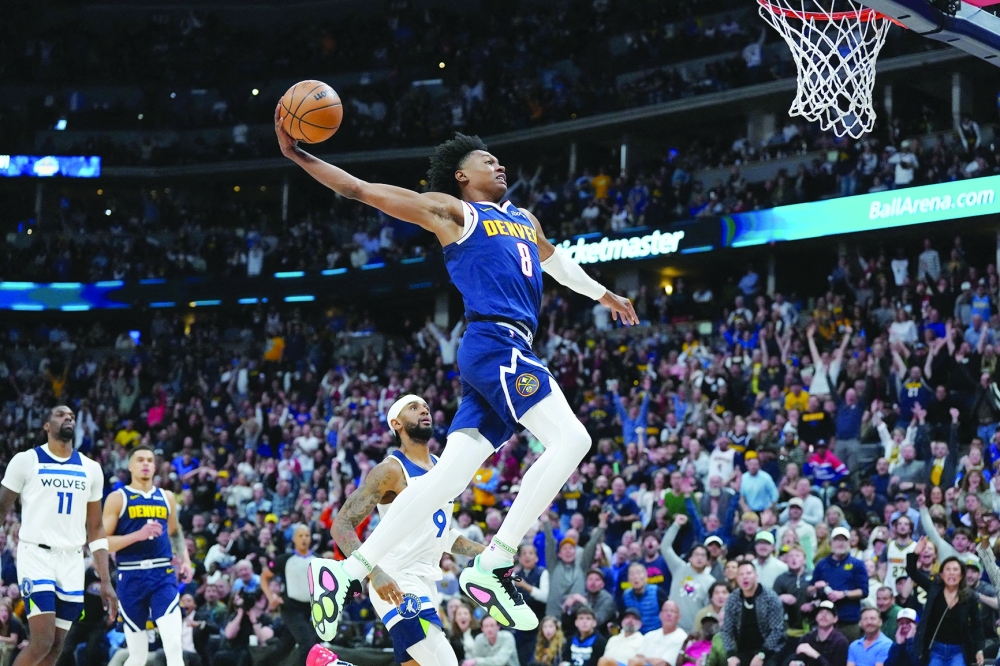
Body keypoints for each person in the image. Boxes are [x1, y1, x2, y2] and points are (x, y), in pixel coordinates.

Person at [281, 119, 638, 638]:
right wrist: (298, 156)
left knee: (446, 480)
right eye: (484, 159)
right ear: (461, 176)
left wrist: (604, 295)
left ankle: (347, 571)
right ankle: (495, 561)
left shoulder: (524, 219)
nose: (497, 163)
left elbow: (558, 265)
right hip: (496, 343)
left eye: (497, 157)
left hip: (505, 348)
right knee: (574, 439)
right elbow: (359, 190)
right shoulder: (454, 213)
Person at [330, 395, 486, 666]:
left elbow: (440, 534)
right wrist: (373, 572)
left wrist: (486, 552)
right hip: (395, 582)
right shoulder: (391, 470)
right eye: (414, 408)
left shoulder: (442, 467)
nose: (424, 410)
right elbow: (341, 525)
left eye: (426, 407)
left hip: (427, 582)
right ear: (396, 422)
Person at [0, 405, 117, 666]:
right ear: (46, 426)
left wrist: (105, 579)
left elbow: (96, 528)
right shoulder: (26, 460)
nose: (68, 419)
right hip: (36, 555)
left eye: (72, 416)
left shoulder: (91, 469)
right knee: (41, 640)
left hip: (73, 559)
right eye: (61, 415)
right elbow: (0, 509)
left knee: (55, 648)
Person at [103, 445, 194, 666]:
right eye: (141, 460)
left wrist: (186, 560)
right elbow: (102, 543)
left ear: (155, 466)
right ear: (131, 466)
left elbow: (174, 532)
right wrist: (138, 535)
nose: (145, 464)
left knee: (173, 647)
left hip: (162, 574)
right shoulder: (118, 498)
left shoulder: (167, 497)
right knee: (137, 655)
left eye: (150, 460)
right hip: (130, 576)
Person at [906, 537, 984, 666]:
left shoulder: (970, 597)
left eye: (955, 570)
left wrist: (979, 650)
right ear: (941, 574)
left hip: (959, 650)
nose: (951, 573)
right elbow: (912, 571)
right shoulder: (934, 589)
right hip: (935, 648)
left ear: (961, 575)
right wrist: (915, 553)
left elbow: (977, 625)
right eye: (948, 570)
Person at [259, 525, 318, 666]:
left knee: (284, 648)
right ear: (294, 539)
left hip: (311, 609)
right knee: (308, 645)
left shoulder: (318, 560)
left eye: (307, 535)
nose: (304, 538)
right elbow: (264, 577)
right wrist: (271, 597)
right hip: (291, 608)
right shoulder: (285, 559)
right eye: (300, 535)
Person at [721, 561, 785, 666]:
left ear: (756, 576)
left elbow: (777, 630)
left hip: (770, 650)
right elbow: (726, 630)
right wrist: (731, 655)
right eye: (741, 574)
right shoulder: (733, 598)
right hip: (743, 650)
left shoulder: (770, 598)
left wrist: (762, 654)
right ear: (737, 578)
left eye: (748, 573)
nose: (745, 577)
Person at [811, 528, 868, 642]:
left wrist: (844, 594)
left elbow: (864, 591)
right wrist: (816, 587)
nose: (840, 543)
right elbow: (809, 589)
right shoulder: (822, 564)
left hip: (849, 621)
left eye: (844, 540)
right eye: (837, 540)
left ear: (849, 543)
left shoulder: (857, 564)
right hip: (825, 621)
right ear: (831, 543)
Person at [662, 515, 715, 633]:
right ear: (690, 558)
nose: (700, 558)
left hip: (695, 631)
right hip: (673, 628)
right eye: (696, 554)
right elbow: (665, 547)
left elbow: (709, 608)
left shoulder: (711, 581)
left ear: (708, 561)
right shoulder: (679, 568)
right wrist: (676, 525)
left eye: (703, 555)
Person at [787, 601, 849, 666]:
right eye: (821, 612)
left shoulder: (840, 642)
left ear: (835, 619)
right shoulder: (806, 638)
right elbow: (799, 660)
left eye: (828, 613)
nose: (823, 615)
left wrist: (816, 655)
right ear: (816, 617)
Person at [628, 601, 687, 666]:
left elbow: (663, 663)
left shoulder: (681, 637)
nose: (668, 614)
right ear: (660, 615)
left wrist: (644, 659)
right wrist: (648, 660)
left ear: (678, 617)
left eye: (672, 611)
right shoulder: (650, 635)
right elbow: (637, 657)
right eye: (665, 611)